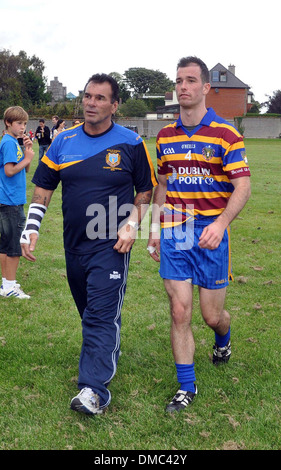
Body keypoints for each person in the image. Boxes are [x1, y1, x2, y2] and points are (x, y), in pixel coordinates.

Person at [20, 73, 158, 415]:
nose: (91, 103)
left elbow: (146, 191)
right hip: (74, 245)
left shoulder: (130, 143)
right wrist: (31, 227)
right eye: (87, 96)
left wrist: (132, 224)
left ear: (114, 105)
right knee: (90, 312)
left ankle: (93, 390)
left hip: (111, 245)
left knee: (98, 315)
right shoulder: (63, 142)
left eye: (99, 98)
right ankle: (107, 347)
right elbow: (44, 187)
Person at [147, 56, 251, 413]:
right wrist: (156, 229)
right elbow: (162, 185)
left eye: (191, 80)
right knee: (179, 311)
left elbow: (243, 187)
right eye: (178, 81)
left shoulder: (226, 134)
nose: (183, 87)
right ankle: (186, 387)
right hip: (176, 232)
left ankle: (223, 338)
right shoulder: (164, 136)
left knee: (211, 316)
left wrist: (220, 224)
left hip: (211, 235)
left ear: (206, 87)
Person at [0, 106, 35, 299]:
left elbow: (25, 170)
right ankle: (11, 286)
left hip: (9, 200)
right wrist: (28, 157)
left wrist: (27, 151)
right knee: (14, 244)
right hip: (10, 200)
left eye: (24, 123)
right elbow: (9, 171)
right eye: (19, 123)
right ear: (8, 123)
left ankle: (6, 284)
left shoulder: (14, 142)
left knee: (5, 243)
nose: (23, 127)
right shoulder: (7, 143)